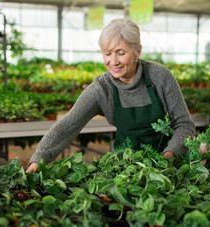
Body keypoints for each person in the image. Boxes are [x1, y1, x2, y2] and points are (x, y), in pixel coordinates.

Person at [26, 18, 195, 173]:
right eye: (107, 53)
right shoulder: (102, 88)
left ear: (137, 51)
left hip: (169, 167)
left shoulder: (159, 76)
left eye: (121, 53)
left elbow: (184, 124)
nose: (113, 61)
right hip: (125, 168)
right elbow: (67, 125)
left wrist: (169, 156)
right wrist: (37, 159)